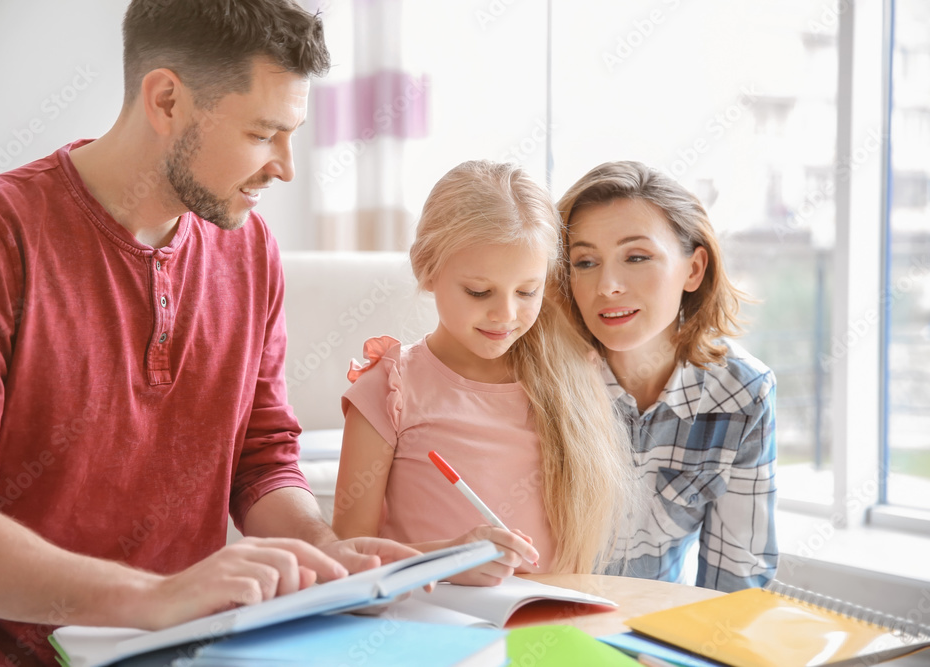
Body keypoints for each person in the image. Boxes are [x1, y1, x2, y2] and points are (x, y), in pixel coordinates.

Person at [0, 2, 417, 665]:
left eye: (293, 134)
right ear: (165, 101)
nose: (286, 167)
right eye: (262, 133)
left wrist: (323, 550)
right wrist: (152, 596)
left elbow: (262, 453)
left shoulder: (250, 252)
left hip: (183, 650)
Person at [332, 160, 635, 584]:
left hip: (541, 627)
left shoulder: (574, 377)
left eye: (527, 291)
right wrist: (448, 560)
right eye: (479, 291)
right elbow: (347, 559)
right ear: (427, 269)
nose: (505, 314)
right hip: (427, 629)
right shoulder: (388, 388)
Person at [556, 160, 778, 592]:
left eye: (636, 257)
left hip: (655, 644)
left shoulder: (743, 392)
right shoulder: (542, 381)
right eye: (585, 262)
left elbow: (737, 585)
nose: (608, 285)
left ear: (694, 269)